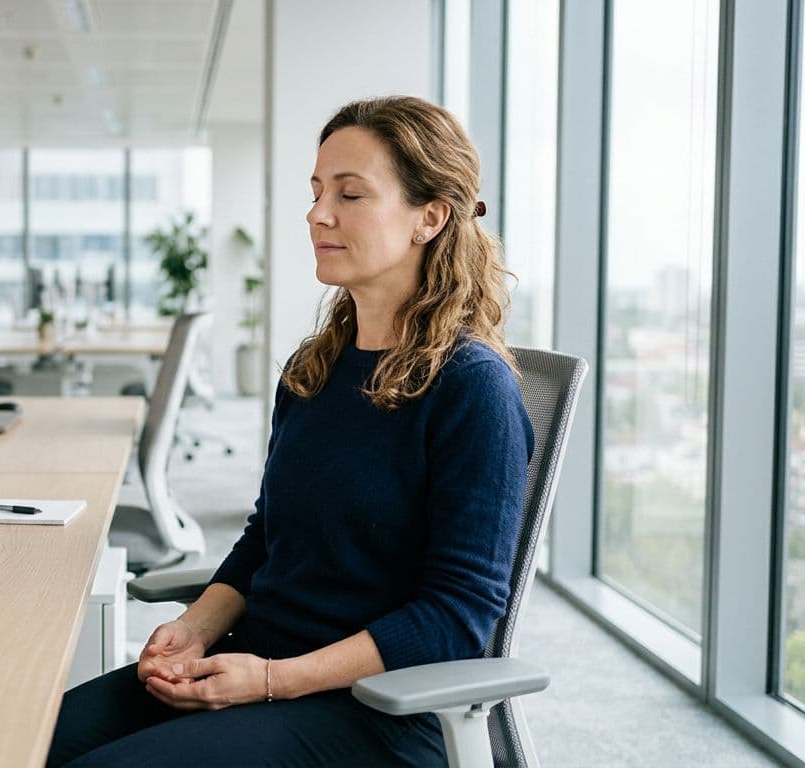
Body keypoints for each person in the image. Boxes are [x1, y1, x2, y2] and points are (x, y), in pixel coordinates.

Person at [47, 95, 534, 768]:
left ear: (430, 217)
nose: (317, 214)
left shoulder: (473, 387)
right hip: (255, 665)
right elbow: (264, 541)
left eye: (350, 194)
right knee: (19, 736)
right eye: (316, 191)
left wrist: (272, 682)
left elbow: (454, 618)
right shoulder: (317, 368)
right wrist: (193, 630)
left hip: (374, 710)